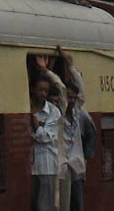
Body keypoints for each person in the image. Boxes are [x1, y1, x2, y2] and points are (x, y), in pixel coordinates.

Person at [62, 80, 96, 211]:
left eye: (73, 98)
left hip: (76, 167)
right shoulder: (58, 114)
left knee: (76, 203)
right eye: (68, 97)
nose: (71, 101)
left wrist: (85, 157)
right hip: (61, 168)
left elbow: (92, 134)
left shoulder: (80, 115)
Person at [30, 74, 61, 211]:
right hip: (29, 167)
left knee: (45, 206)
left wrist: (36, 126)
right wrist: (39, 126)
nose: (43, 93)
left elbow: (46, 137)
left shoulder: (53, 112)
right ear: (32, 90)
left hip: (47, 165)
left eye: (45, 91)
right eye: (40, 90)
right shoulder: (26, 107)